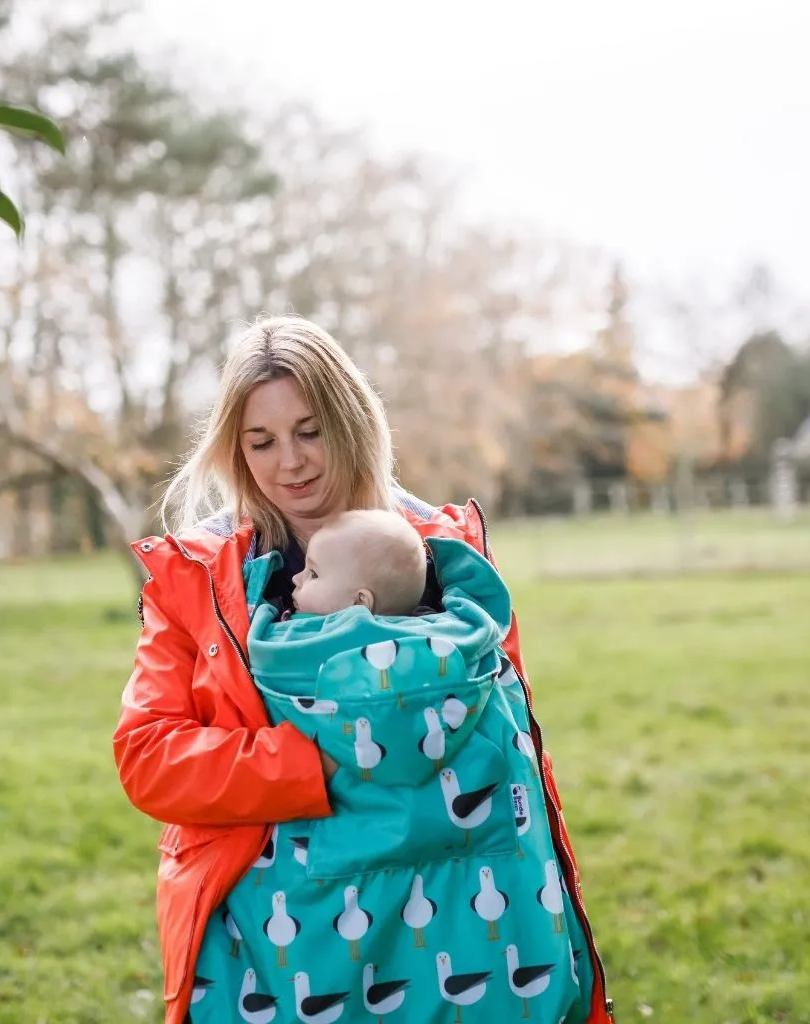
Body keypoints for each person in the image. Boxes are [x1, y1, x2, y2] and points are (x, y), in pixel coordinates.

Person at [113, 315, 614, 1024]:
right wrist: (323, 759)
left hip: (470, 930)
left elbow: (515, 750)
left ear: (353, 421)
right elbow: (149, 757)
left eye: (310, 430)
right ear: (234, 449)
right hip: (281, 953)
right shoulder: (196, 578)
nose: (291, 462)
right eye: (262, 442)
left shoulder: (447, 559)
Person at [287, 508, 427, 617]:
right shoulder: (422, 633)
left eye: (313, 574)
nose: (296, 579)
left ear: (359, 603)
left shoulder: (302, 633)